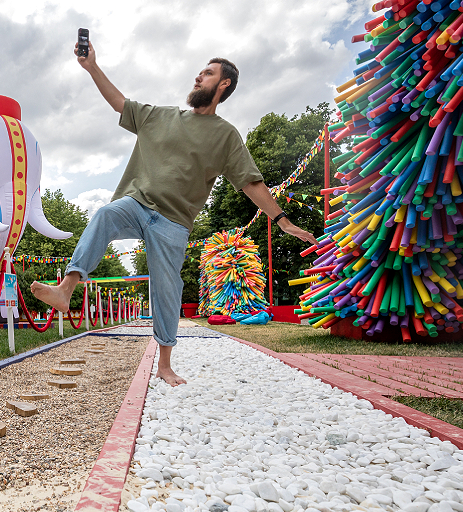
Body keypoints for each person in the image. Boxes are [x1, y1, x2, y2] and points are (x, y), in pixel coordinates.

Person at [31, 40, 317, 386]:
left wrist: (283, 220)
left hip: (173, 223)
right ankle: (65, 288)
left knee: (167, 287)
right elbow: (119, 103)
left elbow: (250, 183)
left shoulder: (225, 136)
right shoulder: (161, 116)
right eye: (199, 72)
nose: (199, 77)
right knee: (105, 214)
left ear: (224, 84)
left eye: (207, 73)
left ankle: (165, 364)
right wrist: (92, 67)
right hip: (137, 204)